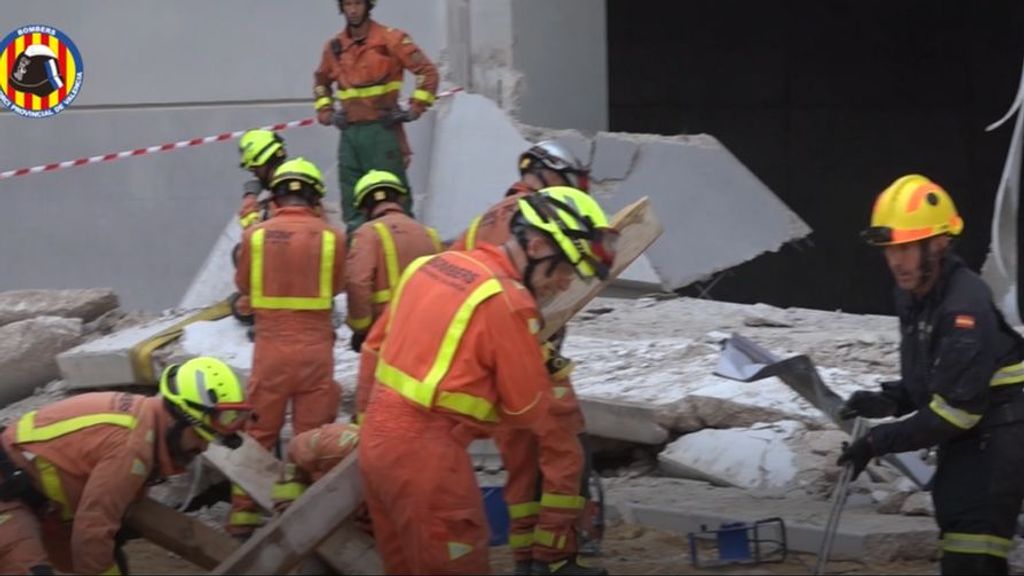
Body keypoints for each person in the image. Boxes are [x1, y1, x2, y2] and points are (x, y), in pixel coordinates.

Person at [357, 186, 616, 574]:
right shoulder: (508, 301)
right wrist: (548, 372)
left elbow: (373, 349)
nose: (563, 284)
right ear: (539, 245)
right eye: (564, 268)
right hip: (431, 460)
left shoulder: (432, 265)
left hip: (377, 446)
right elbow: (527, 409)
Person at [838, 174, 1024, 575]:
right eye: (890, 249)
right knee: (958, 534)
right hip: (972, 436)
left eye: (907, 248)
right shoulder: (914, 295)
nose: (896, 261)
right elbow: (933, 376)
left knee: (973, 554)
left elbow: (956, 410)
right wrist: (891, 398)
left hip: (998, 436)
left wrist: (876, 441)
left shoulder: (964, 307)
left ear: (939, 243)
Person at [451, 142, 604, 575]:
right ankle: (555, 560)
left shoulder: (486, 218)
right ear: (552, 173)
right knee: (565, 454)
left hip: (493, 358)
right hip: (531, 350)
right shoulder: (545, 217)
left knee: (519, 462)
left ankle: (526, 560)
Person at [0, 357, 251, 575]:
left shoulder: (146, 422)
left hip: (37, 497)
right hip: (8, 492)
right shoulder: (132, 448)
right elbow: (92, 530)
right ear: (179, 419)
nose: (202, 449)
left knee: (102, 557)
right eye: (199, 436)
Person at [230, 157, 346, 539]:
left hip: (271, 349)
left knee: (260, 432)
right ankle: (302, 519)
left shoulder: (256, 235)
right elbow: (339, 285)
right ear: (315, 197)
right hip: (315, 350)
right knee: (310, 437)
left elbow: (244, 285)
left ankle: (243, 517)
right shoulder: (333, 237)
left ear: (275, 196)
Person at [313, 0, 440, 235]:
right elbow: (321, 81)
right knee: (352, 205)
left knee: (394, 202)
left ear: (368, 5)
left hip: (382, 131)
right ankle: (358, 254)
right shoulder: (335, 47)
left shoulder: (391, 40)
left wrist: (415, 108)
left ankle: (406, 249)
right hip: (350, 134)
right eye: (347, 4)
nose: (352, 10)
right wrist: (327, 112)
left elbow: (427, 72)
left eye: (357, 3)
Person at [345, 169, 442, 366]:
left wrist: (361, 328)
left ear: (365, 207)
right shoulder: (430, 235)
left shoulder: (368, 234)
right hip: (427, 331)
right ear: (399, 199)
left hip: (387, 333)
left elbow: (358, 282)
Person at [231, 129, 291, 327]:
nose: (255, 175)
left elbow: (255, 237)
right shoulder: (294, 182)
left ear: (264, 162)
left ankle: (267, 309)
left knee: (241, 253)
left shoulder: (282, 192)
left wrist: (250, 200)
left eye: (255, 169)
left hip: (287, 268)